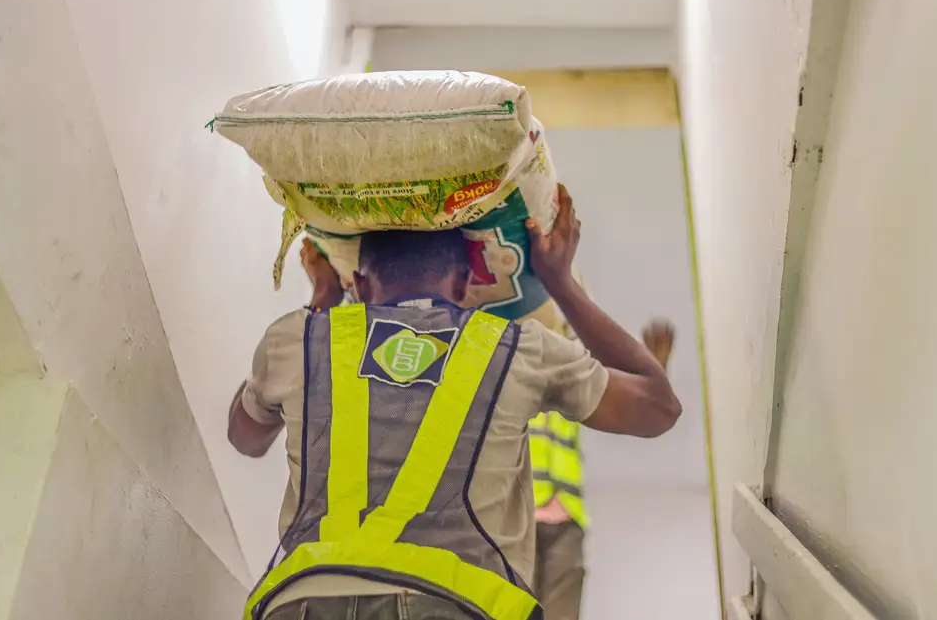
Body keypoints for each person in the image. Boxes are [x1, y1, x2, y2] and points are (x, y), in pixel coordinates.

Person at [228, 186, 682, 620]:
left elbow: (244, 437)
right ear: (467, 285)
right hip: (454, 604)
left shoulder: (297, 337)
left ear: (360, 285)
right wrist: (558, 281)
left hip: (302, 602)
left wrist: (323, 300)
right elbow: (658, 406)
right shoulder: (520, 349)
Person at [529, 315, 675, 620]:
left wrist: (654, 370)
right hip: (515, 523)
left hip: (566, 519)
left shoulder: (566, 389)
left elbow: (615, 392)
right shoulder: (507, 379)